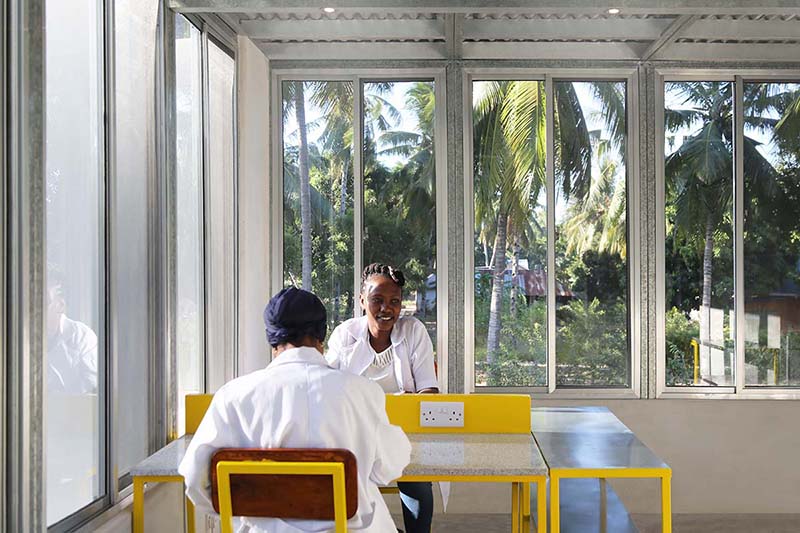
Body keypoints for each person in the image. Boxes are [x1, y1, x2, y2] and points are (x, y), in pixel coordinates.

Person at [179, 287, 411, 533]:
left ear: (272, 339)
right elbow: (389, 467)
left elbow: (195, 480)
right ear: (321, 336)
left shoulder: (232, 397)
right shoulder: (363, 392)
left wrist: (244, 512)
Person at [326, 263, 437, 533]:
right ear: (362, 300)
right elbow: (327, 388)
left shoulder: (413, 331)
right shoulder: (345, 334)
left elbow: (429, 391)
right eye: (377, 300)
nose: (386, 309)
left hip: (404, 434)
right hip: (353, 435)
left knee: (416, 479)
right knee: (349, 481)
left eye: (394, 302)